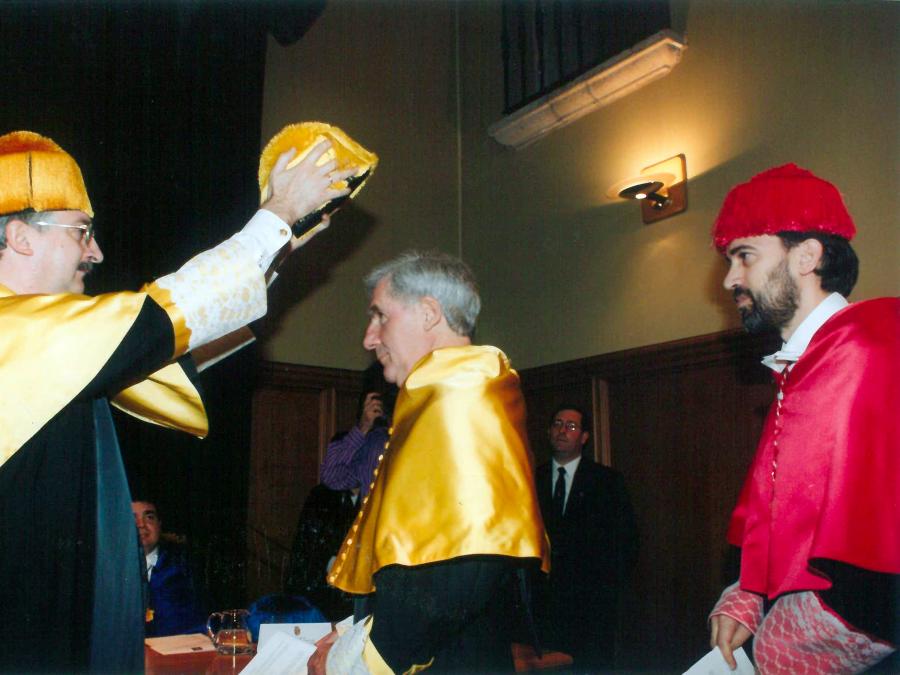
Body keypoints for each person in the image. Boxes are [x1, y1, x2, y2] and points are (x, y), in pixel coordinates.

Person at [0, 129, 355, 673]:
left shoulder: (45, 343)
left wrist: (274, 252)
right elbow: (159, 318)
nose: (95, 252)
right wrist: (277, 215)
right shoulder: (15, 331)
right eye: (82, 231)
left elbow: (167, 356)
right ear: (22, 237)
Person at [308, 250, 549, 674]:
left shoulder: (460, 398)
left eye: (381, 316)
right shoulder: (449, 393)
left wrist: (351, 662)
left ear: (428, 314)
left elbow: (459, 576)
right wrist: (353, 631)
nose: (369, 338)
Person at [707, 164, 898, 673]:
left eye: (745, 256)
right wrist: (749, 589)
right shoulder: (809, 360)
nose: (730, 279)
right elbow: (793, 510)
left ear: (807, 256)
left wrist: (810, 631)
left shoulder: (869, 348)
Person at [534, 404, 638, 671]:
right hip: (542, 608)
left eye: (571, 426)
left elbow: (626, 542)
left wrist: (605, 591)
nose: (562, 431)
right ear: (548, 431)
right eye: (557, 424)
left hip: (589, 609)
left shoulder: (607, 482)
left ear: (584, 437)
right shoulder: (531, 479)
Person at [132, 499, 206, 637]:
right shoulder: (106, 574)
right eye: (132, 518)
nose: (141, 524)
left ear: (159, 524)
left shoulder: (184, 567)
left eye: (149, 517)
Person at [285, 483, 358, 621]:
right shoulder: (322, 495)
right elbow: (307, 543)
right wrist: (329, 561)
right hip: (319, 592)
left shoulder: (375, 495)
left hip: (356, 596)